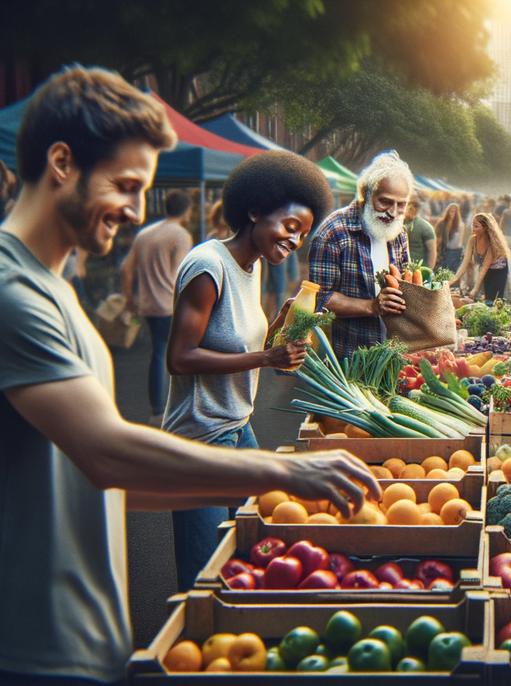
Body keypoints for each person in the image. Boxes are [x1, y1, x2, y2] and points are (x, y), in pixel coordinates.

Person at [0, 65, 378, 686]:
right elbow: (107, 454)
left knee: (235, 571)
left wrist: (259, 488)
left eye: (144, 189)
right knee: (209, 589)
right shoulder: (15, 294)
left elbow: (106, 480)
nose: (136, 211)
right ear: (62, 163)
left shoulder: (56, 291)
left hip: (85, 644)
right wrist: (288, 468)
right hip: (34, 654)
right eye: (125, 185)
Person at [163, 150, 331, 591]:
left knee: (252, 549)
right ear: (254, 210)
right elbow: (179, 358)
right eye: (290, 227)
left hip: (238, 428)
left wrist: (280, 331)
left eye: (303, 235)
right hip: (200, 440)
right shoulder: (208, 265)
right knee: (203, 577)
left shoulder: (251, 265)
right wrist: (265, 359)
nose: (295, 241)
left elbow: (241, 339)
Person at [308, 150, 413, 359]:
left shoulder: (399, 233)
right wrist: (372, 306)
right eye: (385, 201)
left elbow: (407, 286)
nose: (393, 212)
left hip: (395, 353)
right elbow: (319, 297)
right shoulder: (333, 232)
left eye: (401, 205)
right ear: (365, 193)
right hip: (351, 356)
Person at [121, 189, 193, 423]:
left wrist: (130, 300)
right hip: (171, 304)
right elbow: (183, 273)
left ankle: (157, 410)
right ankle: (177, 409)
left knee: (158, 353)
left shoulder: (146, 233)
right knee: (179, 354)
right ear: (187, 210)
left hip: (148, 304)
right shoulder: (180, 235)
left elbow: (125, 268)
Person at [451, 212, 511, 302]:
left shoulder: (492, 244)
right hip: (486, 269)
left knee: (495, 299)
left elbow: (484, 268)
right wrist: (454, 279)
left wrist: (475, 289)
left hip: (499, 270)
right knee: (487, 296)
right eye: (472, 225)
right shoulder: (472, 240)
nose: (473, 228)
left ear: (485, 228)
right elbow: (465, 262)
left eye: (476, 226)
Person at [403, 194, 437, 268]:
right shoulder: (396, 224)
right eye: (408, 204)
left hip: (418, 270)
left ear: (418, 208)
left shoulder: (426, 227)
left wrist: (429, 271)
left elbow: (432, 252)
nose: (411, 207)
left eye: (415, 205)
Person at [435, 202, 465, 273]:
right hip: (442, 251)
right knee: (439, 272)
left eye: (454, 212)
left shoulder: (460, 225)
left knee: (451, 273)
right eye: (451, 211)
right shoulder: (441, 223)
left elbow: (460, 241)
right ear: (447, 211)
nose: (452, 213)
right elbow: (436, 236)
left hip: (454, 253)